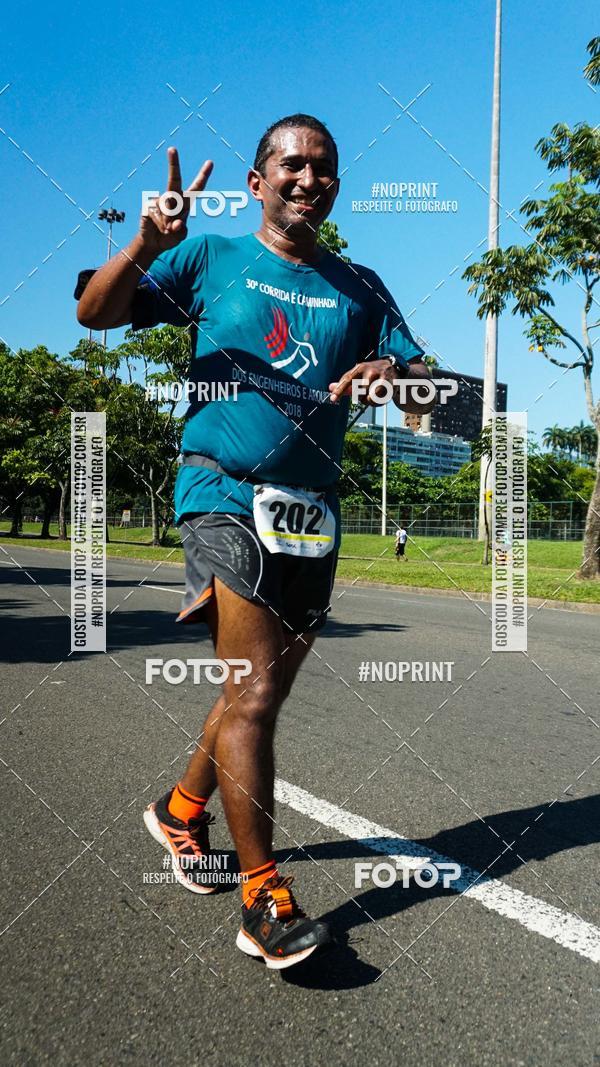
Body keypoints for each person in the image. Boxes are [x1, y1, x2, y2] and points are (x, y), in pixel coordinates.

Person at [77, 113, 436, 970]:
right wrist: (144, 241)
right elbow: (96, 314)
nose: (306, 178)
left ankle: (179, 811)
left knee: (257, 688)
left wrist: (396, 375)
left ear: (336, 186)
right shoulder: (209, 259)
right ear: (257, 180)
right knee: (254, 697)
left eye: (322, 168)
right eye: (290, 164)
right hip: (221, 494)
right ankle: (262, 895)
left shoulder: (362, 287)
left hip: (312, 510)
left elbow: (427, 396)